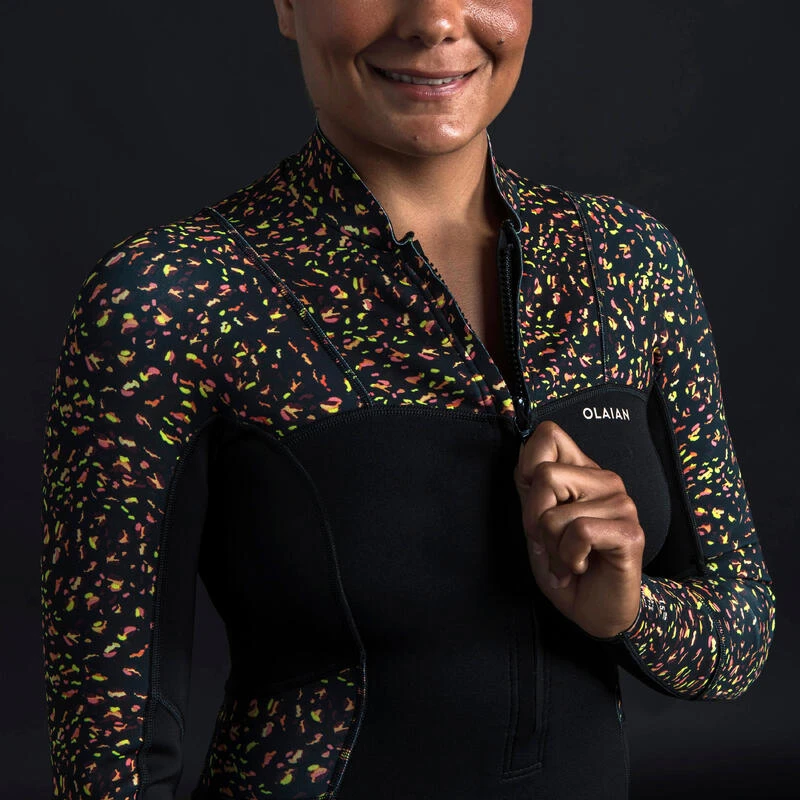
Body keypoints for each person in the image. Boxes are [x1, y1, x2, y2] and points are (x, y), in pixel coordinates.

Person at [40, 1, 776, 798]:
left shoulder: (630, 264)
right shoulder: (172, 298)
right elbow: (106, 759)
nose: (435, 21)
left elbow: (739, 639)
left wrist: (628, 610)